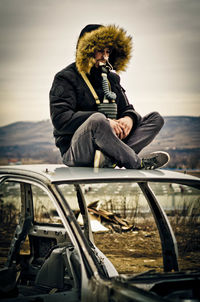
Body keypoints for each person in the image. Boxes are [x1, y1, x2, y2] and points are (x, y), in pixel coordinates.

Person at [50, 24, 170, 169]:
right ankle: (138, 163)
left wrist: (129, 119)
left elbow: (127, 108)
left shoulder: (111, 78)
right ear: (86, 50)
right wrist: (105, 121)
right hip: (78, 151)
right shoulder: (65, 78)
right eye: (100, 51)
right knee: (97, 119)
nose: (105, 56)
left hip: (111, 144)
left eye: (107, 51)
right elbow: (60, 120)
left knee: (156, 119)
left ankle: (109, 158)